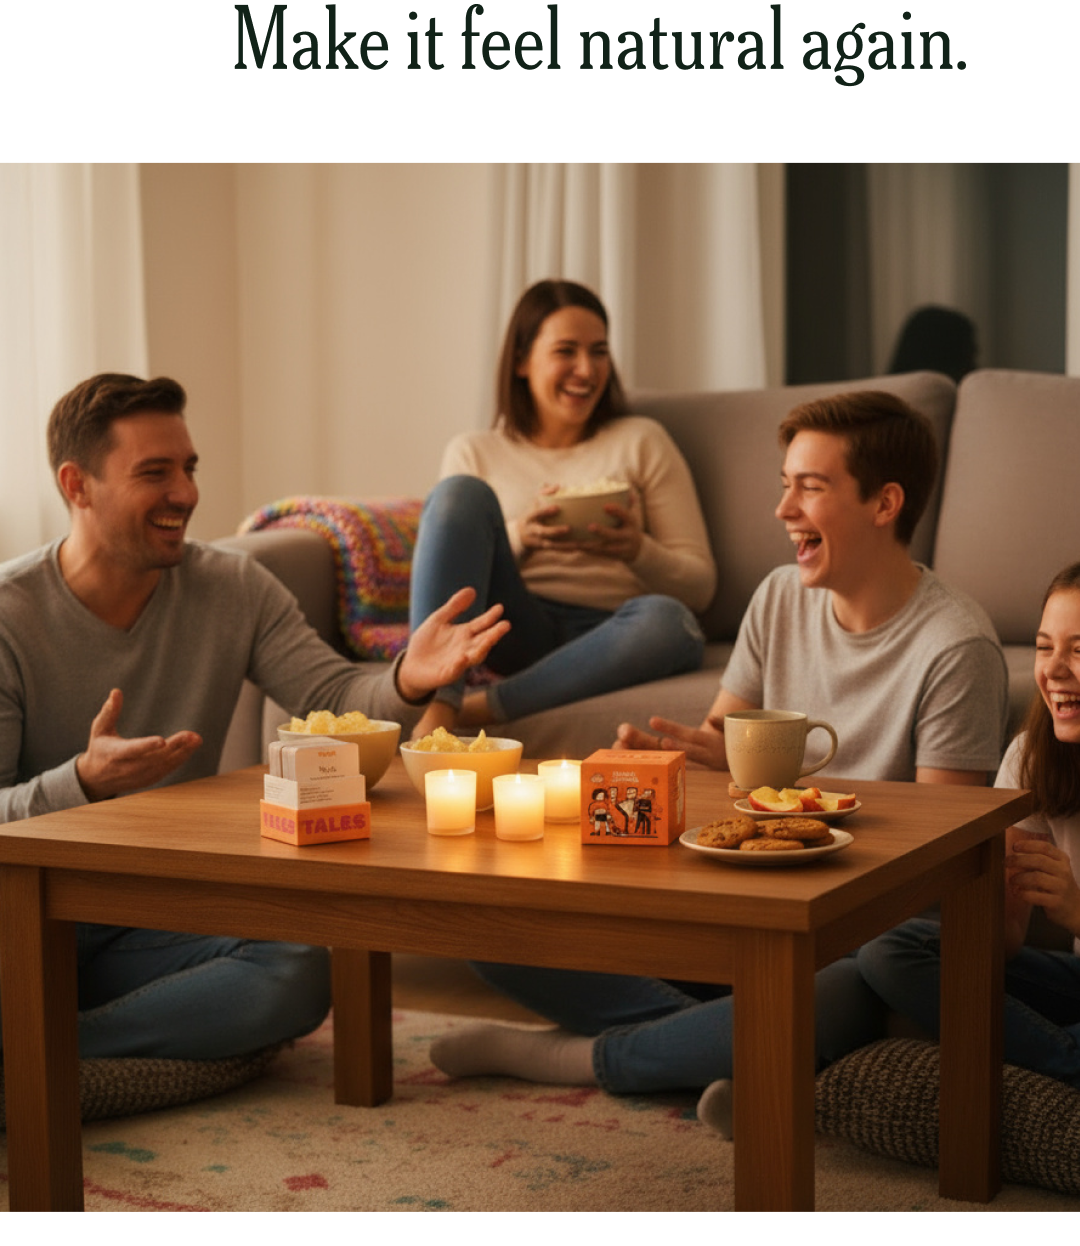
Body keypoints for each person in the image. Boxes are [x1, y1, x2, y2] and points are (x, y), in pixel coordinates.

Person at [429, 390, 1009, 1128]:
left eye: (810, 487)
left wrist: (779, 787)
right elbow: (720, 761)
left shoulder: (955, 649)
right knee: (482, 922)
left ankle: (578, 1058)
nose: (783, 509)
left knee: (840, 991)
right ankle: (754, 1053)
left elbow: (938, 858)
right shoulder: (778, 599)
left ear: (884, 503)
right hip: (751, 914)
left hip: (860, 936)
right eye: (783, 484)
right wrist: (665, 766)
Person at [0, 372, 508, 1062]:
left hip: (143, 919)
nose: (185, 493)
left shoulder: (232, 587)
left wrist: (406, 680)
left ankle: (40, 1059)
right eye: (155, 472)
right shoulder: (9, 616)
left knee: (294, 969)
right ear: (76, 485)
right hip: (22, 918)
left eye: (188, 468)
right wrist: (82, 784)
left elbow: (332, 698)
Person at [854, 556, 1080, 1124]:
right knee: (892, 952)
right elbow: (1007, 942)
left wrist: (1076, 909)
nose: (1054, 670)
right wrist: (978, 881)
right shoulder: (1030, 758)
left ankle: (1039, 1065)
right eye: (1044, 647)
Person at [407, 279, 715, 738]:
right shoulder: (475, 451)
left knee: (671, 622)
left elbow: (700, 586)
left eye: (599, 352)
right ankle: (440, 701)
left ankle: (481, 708)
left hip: (614, 630)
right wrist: (520, 540)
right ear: (521, 361)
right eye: (566, 351)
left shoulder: (642, 441)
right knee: (459, 493)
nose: (586, 370)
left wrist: (636, 549)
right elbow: (460, 567)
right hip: (514, 624)